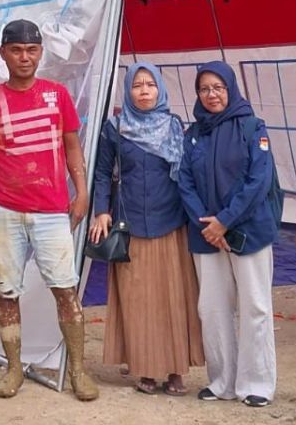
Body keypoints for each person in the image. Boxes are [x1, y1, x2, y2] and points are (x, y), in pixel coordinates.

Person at [0, 19, 99, 402]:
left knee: (66, 290)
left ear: (41, 53)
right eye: (17, 50)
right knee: (7, 292)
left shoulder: (58, 95)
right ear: (3, 53)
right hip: (3, 212)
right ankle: (13, 369)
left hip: (53, 211)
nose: (25, 57)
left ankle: (78, 370)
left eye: (32, 50)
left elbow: (73, 147)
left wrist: (82, 191)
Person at [89, 62, 204, 396]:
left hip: (171, 222)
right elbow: (101, 172)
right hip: (131, 223)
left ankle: (174, 370)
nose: (143, 91)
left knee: (174, 298)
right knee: (138, 299)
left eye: (150, 85)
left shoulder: (173, 125)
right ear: (128, 91)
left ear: (160, 90)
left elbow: (186, 174)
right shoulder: (115, 127)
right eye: (137, 85)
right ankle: (145, 370)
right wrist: (101, 212)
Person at [177, 60, 278, 408]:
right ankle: (222, 382)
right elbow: (185, 182)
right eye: (204, 89)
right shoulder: (192, 134)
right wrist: (210, 226)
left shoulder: (253, 127)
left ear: (231, 88)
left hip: (248, 232)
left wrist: (225, 220)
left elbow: (258, 181)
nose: (211, 95)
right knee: (213, 309)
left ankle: (257, 384)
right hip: (206, 235)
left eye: (218, 87)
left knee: (255, 307)